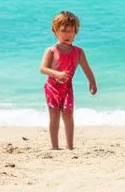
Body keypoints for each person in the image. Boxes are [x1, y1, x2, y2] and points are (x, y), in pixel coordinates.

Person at [40, 10, 98, 149]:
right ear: (55, 31)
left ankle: (70, 146)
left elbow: (86, 68)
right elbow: (43, 69)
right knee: (54, 117)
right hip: (52, 88)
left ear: (75, 32)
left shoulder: (78, 52)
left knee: (68, 114)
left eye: (71, 31)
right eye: (63, 31)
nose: (67, 34)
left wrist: (92, 82)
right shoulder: (51, 51)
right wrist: (57, 74)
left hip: (67, 89)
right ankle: (54, 147)